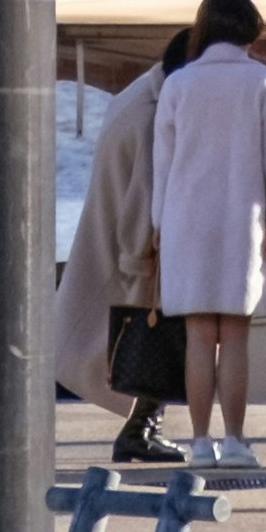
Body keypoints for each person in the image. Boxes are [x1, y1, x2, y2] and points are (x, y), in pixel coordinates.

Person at [149, 0, 266, 467]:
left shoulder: (178, 84)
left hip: (185, 219)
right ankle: (234, 439)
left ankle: (198, 441)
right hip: (244, 219)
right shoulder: (265, 82)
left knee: (197, 335)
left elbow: (163, 166)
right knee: (234, 334)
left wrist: (158, 224)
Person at [58, 23, 197, 461]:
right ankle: (142, 427)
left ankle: (142, 426)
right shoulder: (154, 118)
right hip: (130, 250)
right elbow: (145, 195)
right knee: (148, 344)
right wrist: (146, 260)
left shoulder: (139, 95)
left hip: (107, 234)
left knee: (105, 341)